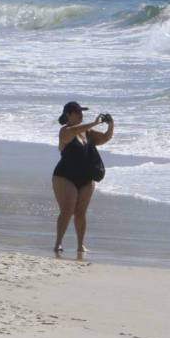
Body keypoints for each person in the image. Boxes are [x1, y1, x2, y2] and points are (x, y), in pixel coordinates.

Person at [52, 101, 114, 254]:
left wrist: (110, 125)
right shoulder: (64, 131)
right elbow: (73, 131)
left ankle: (80, 245)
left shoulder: (87, 132)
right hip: (65, 176)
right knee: (67, 210)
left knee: (81, 212)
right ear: (69, 115)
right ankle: (58, 243)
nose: (81, 115)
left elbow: (105, 138)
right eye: (78, 112)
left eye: (82, 112)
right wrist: (93, 122)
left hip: (86, 178)